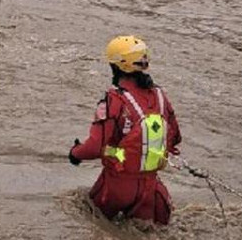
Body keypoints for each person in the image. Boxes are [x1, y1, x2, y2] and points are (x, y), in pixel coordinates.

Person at [69, 36, 183, 224]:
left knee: (87, 219)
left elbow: (95, 147)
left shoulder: (114, 99)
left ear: (115, 66)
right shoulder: (161, 97)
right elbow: (175, 138)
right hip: (151, 192)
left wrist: (75, 153)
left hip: (115, 187)